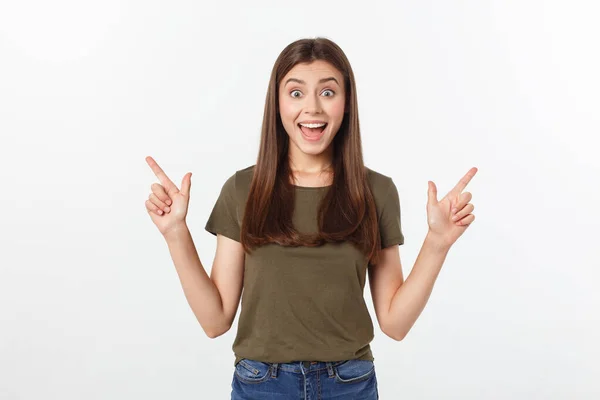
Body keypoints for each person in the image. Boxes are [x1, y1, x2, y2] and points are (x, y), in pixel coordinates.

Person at [144, 37, 477, 400]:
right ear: (278, 103)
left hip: (349, 385)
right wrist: (175, 232)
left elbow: (395, 324)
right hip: (261, 385)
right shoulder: (243, 189)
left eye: (328, 92)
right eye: (297, 93)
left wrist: (438, 243)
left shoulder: (376, 191)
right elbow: (215, 320)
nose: (313, 108)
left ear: (346, 103)